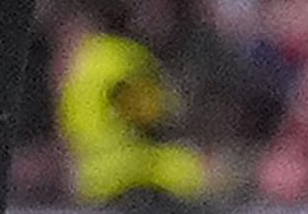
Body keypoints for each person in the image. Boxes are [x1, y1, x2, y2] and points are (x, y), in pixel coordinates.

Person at [58, 19, 211, 204]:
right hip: (144, 173)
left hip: (96, 180)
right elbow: (153, 109)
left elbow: (71, 131)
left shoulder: (77, 72)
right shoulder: (124, 57)